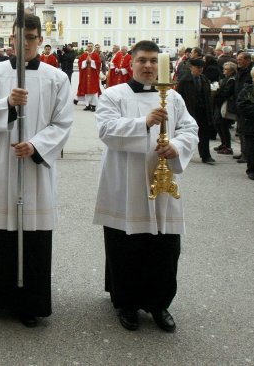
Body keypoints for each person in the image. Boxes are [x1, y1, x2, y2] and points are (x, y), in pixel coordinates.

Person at [0, 14, 73, 328]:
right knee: (0, 231)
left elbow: (63, 122)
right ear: (10, 39)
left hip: (35, 168)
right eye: (19, 37)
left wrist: (37, 145)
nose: (25, 43)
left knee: (33, 234)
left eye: (30, 37)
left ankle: (31, 301)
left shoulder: (57, 78)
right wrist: (8, 104)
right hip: (3, 164)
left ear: (40, 39)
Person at [94, 40, 198, 333]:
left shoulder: (173, 99)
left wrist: (177, 146)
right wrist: (144, 122)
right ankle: (125, 302)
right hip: (125, 180)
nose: (149, 66)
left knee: (164, 246)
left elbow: (190, 129)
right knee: (126, 244)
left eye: (154, 60)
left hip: (161, 180)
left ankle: (159, 303)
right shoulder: (114, 95)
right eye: (143, 60)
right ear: (131, 63)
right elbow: (105, 129)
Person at [176, 58, 215, 164]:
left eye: (202, 68)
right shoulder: (185, 80)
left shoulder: (204, 79)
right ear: (191, 67)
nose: (200, 70)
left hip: (203, 111)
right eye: (198, 68)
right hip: (190, 111)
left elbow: (207, 96)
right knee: (188, 134)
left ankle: (206, 156)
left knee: (204, 134)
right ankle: (183, 155)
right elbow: (179, 97)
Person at [212, 62, 237, 155]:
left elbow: (226, 93)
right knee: (218, 124)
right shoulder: (226, 79)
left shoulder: (232, 80)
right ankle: (223, 143)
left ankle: (228, 146)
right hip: (220, 104)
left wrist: (216, 96)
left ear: (231, 71)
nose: (224, 71)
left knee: (223, 126)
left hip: (225, 104)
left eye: (226, 69)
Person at [76, 42, 102, 111]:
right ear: (87, 47)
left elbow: (99, 64)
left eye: (91, 46)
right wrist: (85, 62)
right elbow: (79, 63)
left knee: (94, 90)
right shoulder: (83, 55)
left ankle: (93, 105)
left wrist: (92, 61)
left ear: (93, 47)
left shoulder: (96, 55)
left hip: (93, 75)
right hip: (85, 75)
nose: (89, 47)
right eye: (88, 46)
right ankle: (87, 105)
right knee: (87, 90)